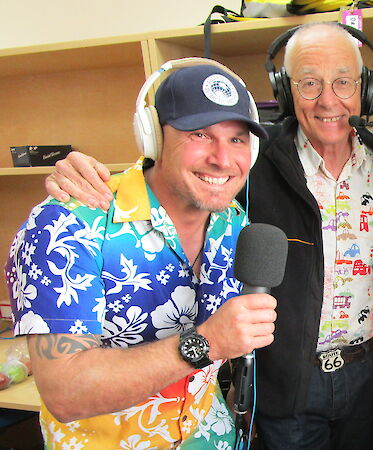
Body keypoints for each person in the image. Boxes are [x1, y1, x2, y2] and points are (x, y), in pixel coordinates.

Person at [41, 22, 373, 450]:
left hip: (367, 370)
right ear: (285, 89)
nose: (328, 99)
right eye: (309, 83)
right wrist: (83, 177)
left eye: (344, 81)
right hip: (285, 382)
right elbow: (177, 174)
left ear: (365, 88)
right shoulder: (251, 164)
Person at [5, 61, 277, 449]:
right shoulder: (68, 224)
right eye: (200, 134)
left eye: (237, 140)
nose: (222, 158)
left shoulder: (233, 224)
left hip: (210, 436)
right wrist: (207, 343)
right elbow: (65, 391)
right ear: (153, 137)